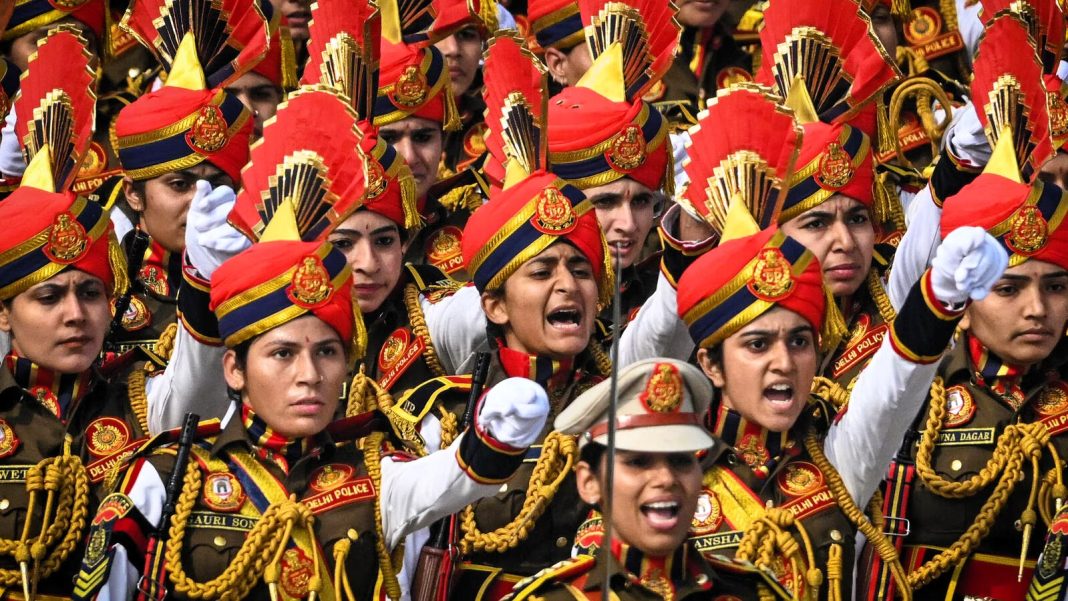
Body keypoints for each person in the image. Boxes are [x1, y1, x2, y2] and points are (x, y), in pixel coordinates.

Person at [73, 226, 551, 601]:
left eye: (326, 353)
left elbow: (454, 475)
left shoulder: (376, 474)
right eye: (282, 354)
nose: (309, 375)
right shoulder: (166, 474)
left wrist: (497, 436)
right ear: (234, 369)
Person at [505, 358, 791, 601]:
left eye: (680, 460)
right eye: (638, 461)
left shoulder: (754, 591)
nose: (665, 478)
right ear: (589, 483)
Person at [0, 147, 149, 598]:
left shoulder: (143, 401)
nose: (75, 315)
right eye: (48, 298)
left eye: (90, 293)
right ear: (4, 314)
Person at [109, 6, 260, 359]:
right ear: (133, 194)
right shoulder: (98, 289)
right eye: (180, 185)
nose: (201, 201)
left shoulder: (265, 282)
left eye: (219, 184)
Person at [544, 0, 677, 325]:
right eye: (605, 201)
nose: (629, 225)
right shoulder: (521, 300)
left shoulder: (663, 292)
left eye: (644, 200)